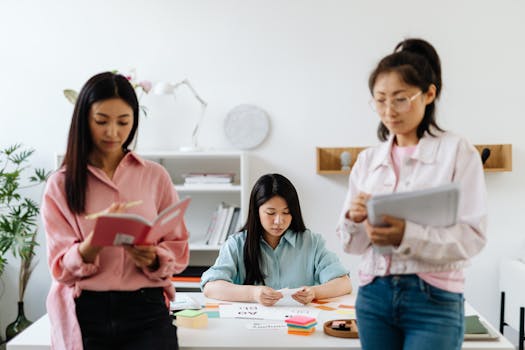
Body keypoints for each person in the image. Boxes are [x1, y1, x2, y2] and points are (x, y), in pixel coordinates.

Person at [337, 38, 487, 350]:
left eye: (400, 99)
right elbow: (350, 244)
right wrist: (354, 219)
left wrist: (407, 235)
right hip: (373, 297)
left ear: (429, 94)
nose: (389, 111)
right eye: (380, 100)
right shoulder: (367, 161)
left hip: (434, 299)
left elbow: (473, 237)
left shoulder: (458, 152)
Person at [41, 72, 189, 350]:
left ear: (134, 120)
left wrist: (153, 257)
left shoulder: (155, 176)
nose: (113, 132)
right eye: (101, 121)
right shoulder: (61, 184)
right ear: (84, 119)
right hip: (86, 311)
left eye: (123, 122)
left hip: (146, 308)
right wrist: (93, 243)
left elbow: (178, 247)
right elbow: (60, 267)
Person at [202, 173, 352, 306]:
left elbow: (344, 283)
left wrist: (314, 292)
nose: (279, 221)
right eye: (271, 213)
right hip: (248, 327)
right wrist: (253, 294)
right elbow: (211, 287)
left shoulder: (311, 242)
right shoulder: (237, 244)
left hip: (298, 326)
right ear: (256, 211)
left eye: (286, 213)